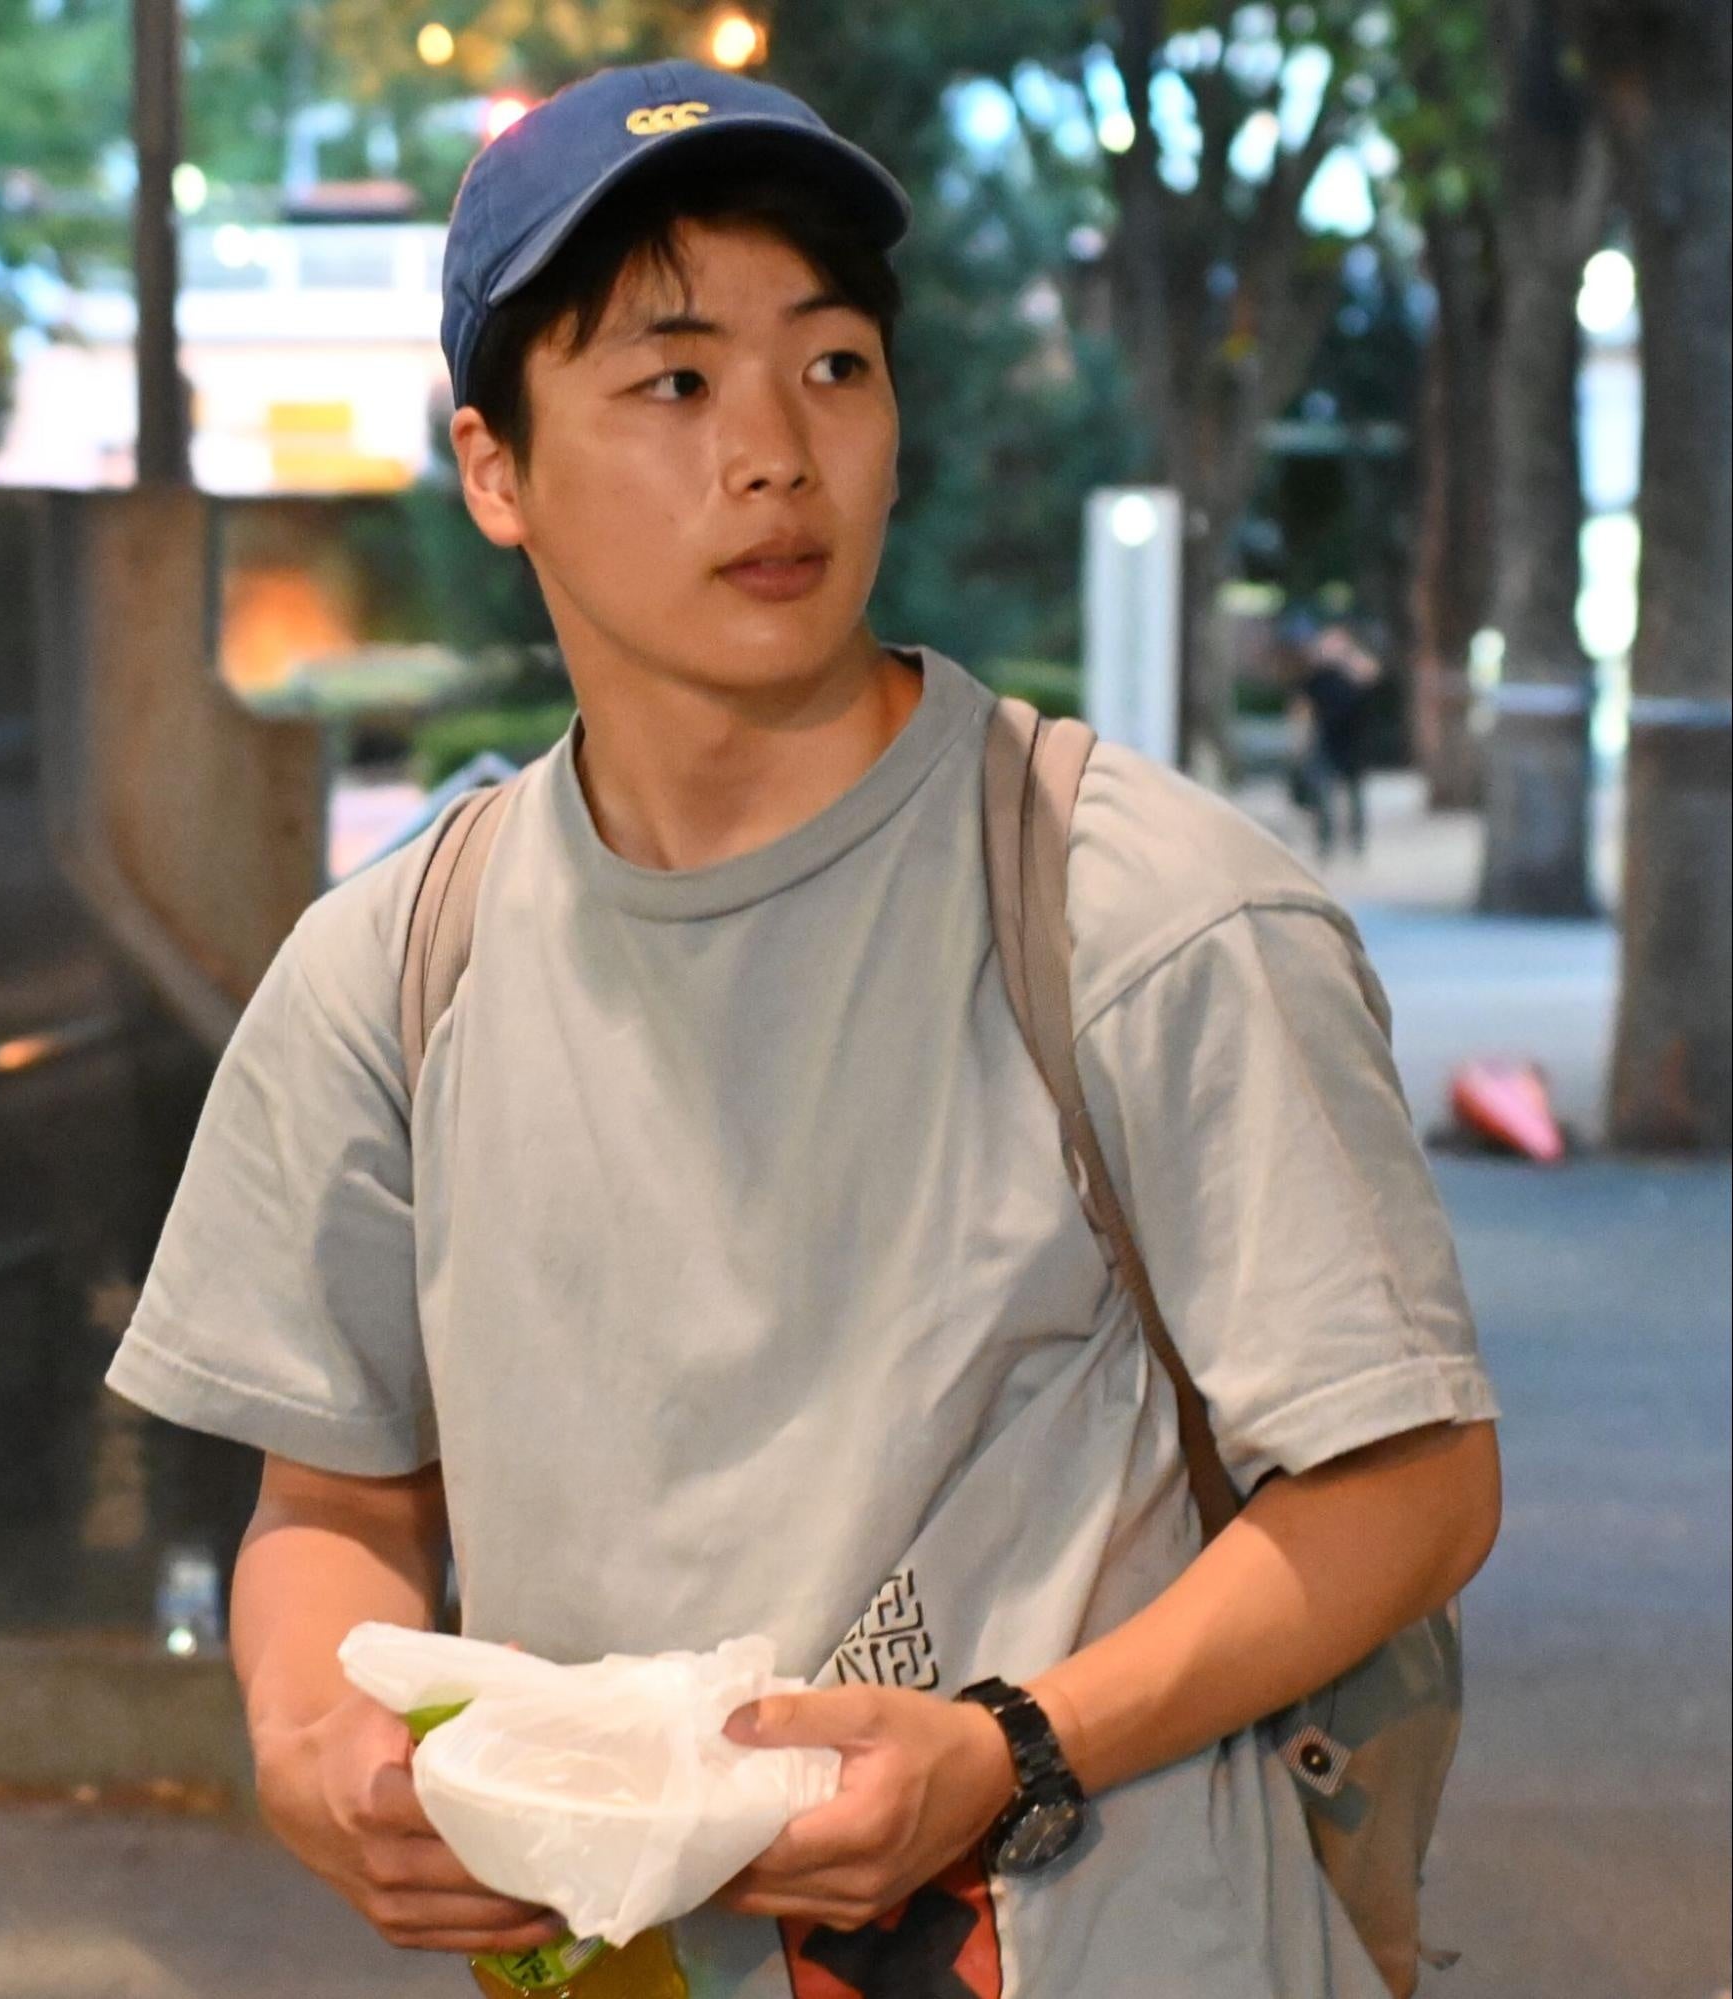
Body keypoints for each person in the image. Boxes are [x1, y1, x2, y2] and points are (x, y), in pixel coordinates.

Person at [106, 58, 1502, 1999]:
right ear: (495, 471)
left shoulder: (1136, 910)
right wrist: (307, 1744)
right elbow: (332, 1502)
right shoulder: (394, 964)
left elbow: (1410, 1479)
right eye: (673, 382)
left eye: (833, 364)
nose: (775, 451)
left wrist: (1014, 1746)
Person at [1288, 618, 1383, 860]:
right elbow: (1302, 706)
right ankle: (1325, 843)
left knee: (1355, 796)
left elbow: (1372, 675)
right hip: (1325, 741)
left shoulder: (1355, 669)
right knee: (1324, 796)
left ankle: (1357, 842)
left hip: (1354, 741)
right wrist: (1299, 740)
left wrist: (1348, 661)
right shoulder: (1317, 675)